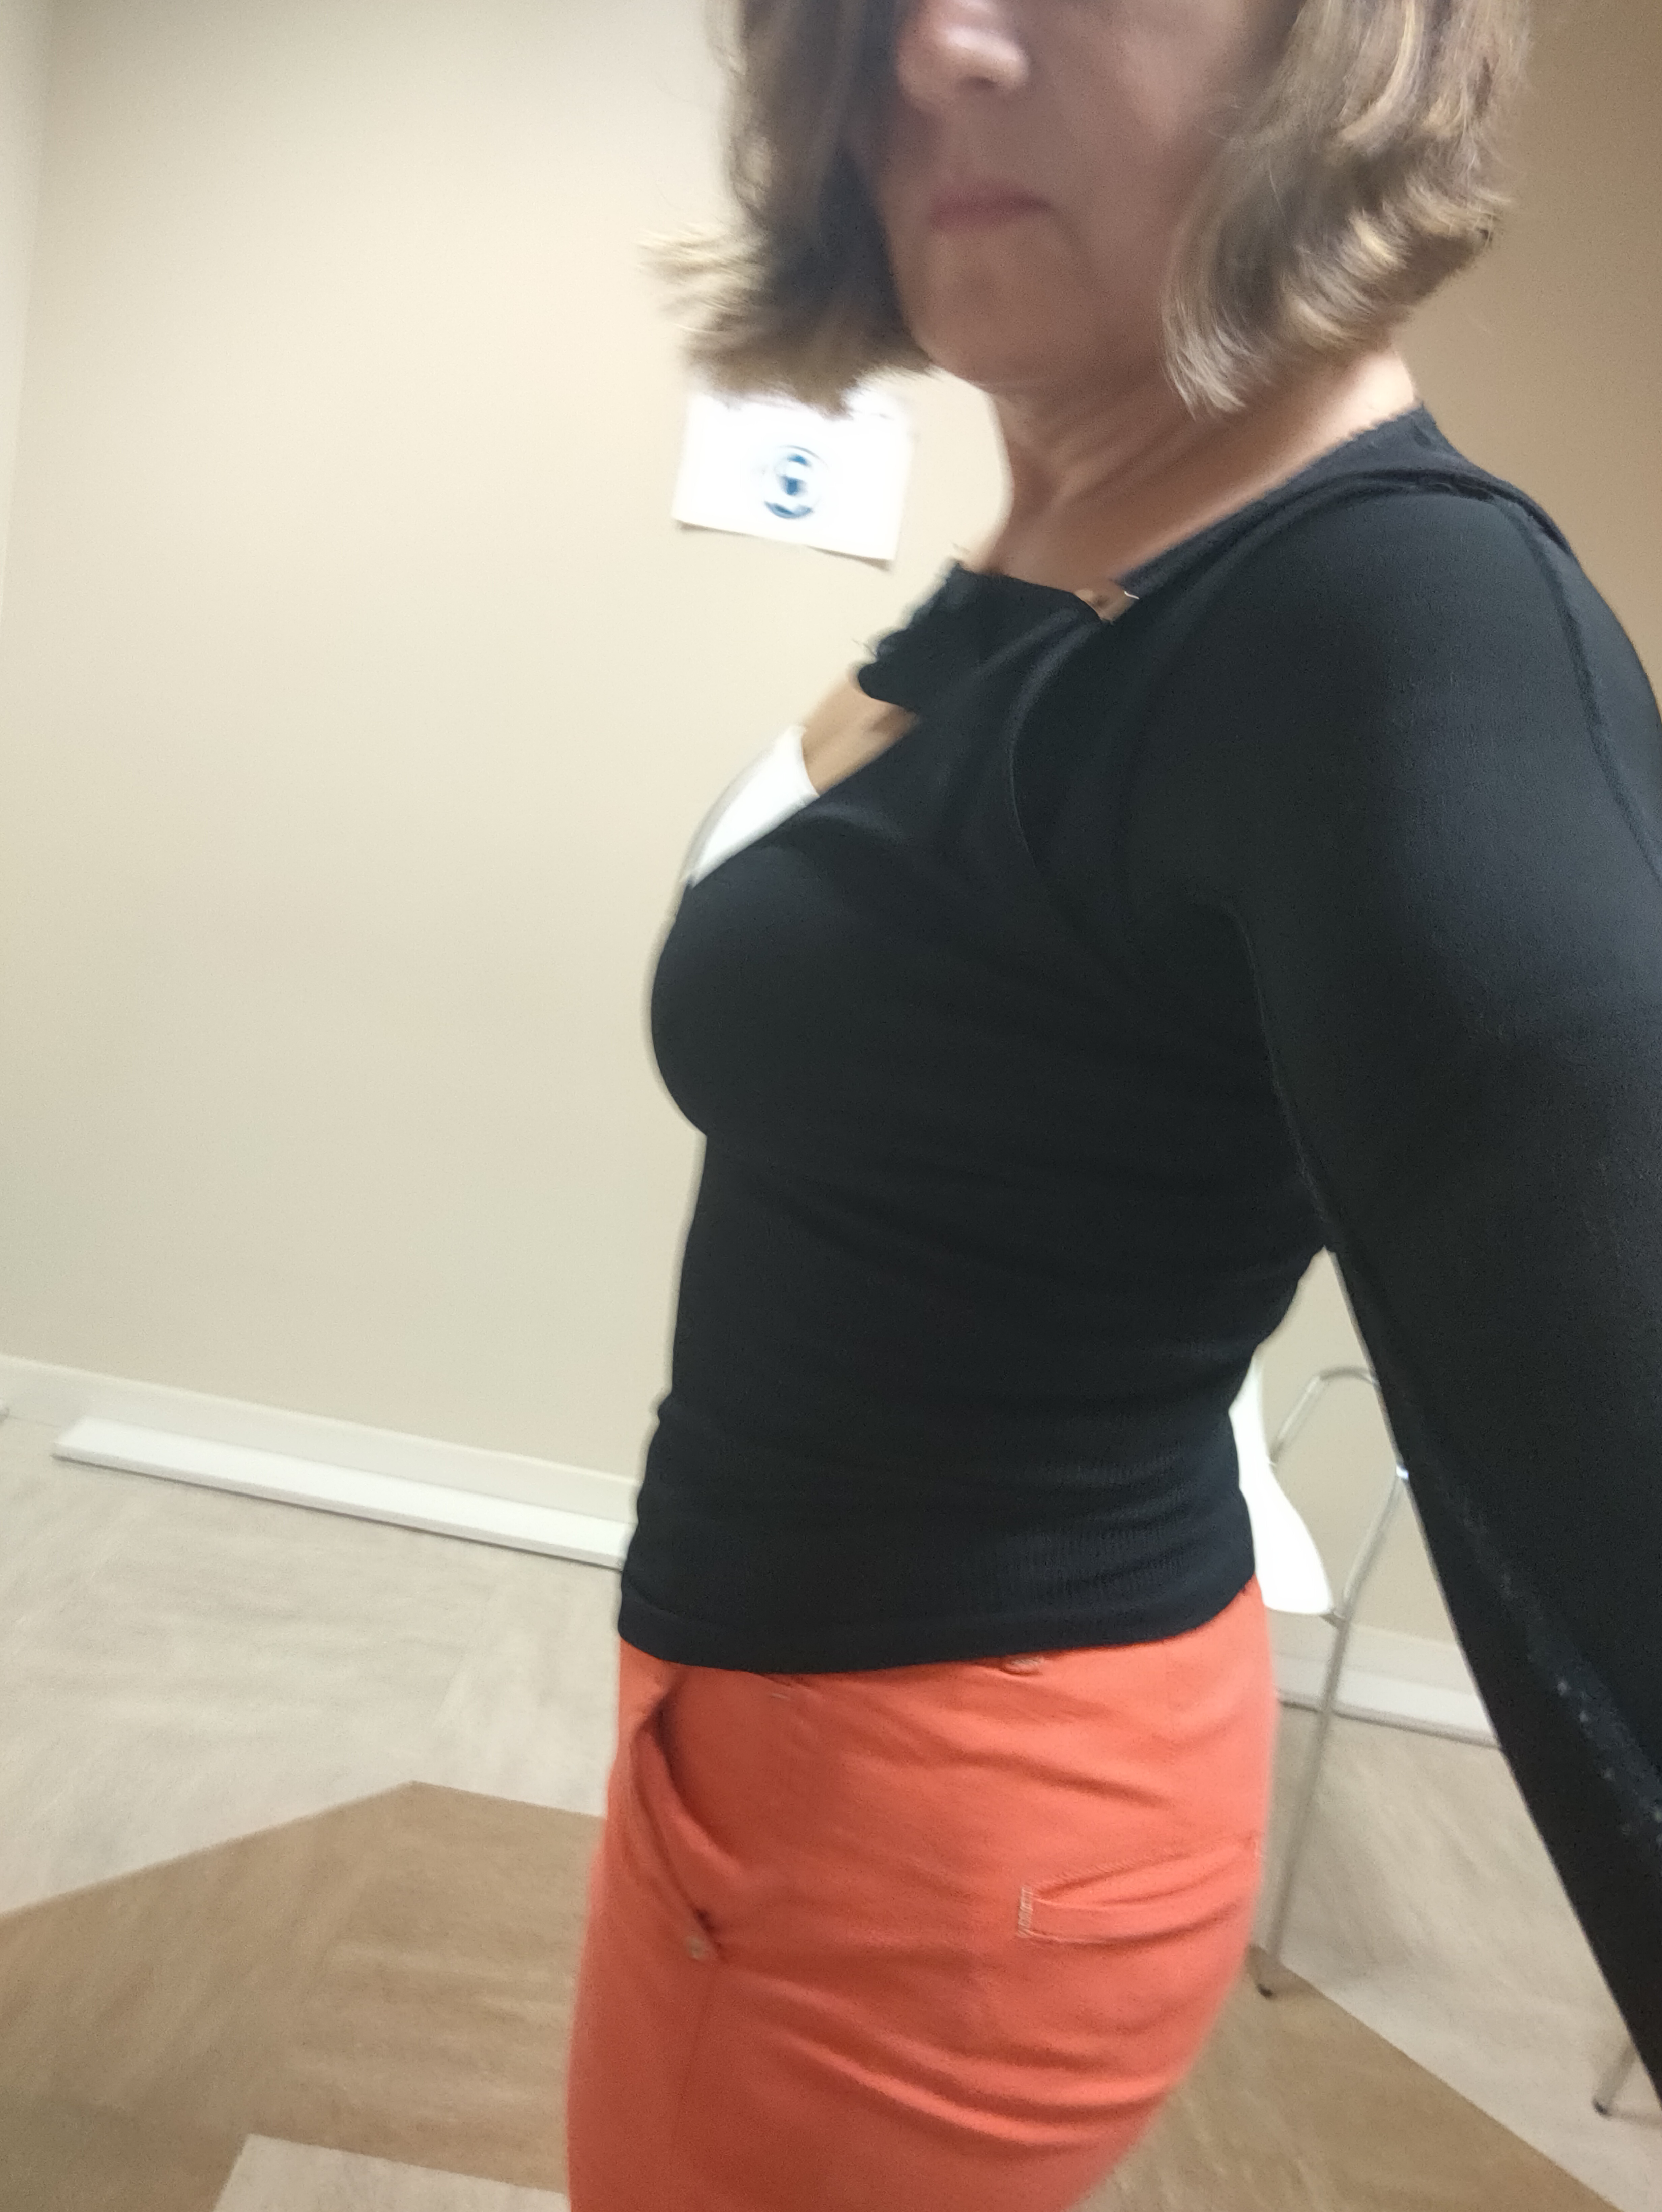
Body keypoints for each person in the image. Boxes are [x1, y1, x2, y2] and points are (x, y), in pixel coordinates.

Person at [566, 1, 1662, 2205]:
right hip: (805, 1721)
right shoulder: (1086, 539)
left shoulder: (1401, 623)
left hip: (925, 1817)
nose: (940, 52)